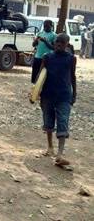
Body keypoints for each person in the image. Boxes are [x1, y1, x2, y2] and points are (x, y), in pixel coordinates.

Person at [39, 33, 77, 166]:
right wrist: (35, 93)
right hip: (47, 95)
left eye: (62, 42)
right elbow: (40, 77)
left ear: (67, 44)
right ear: (54, 43)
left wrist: (74, 94)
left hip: (64, 96)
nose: (59, 44)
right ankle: (50, 148)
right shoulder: (47, 57)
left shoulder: (71, 59)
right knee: (48, 122)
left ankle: (60, 154)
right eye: (57, 42)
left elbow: (73, 77)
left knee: (62, 122)